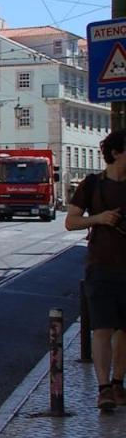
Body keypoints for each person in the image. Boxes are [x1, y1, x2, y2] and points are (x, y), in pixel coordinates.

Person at [66, 129, 126, 411]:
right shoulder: (92, 185)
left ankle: (118, 382)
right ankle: (103, 388)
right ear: (116, 153)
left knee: (124, 331)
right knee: (101, 328)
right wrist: (99, 218)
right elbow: (71, 222)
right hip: (100, 266)